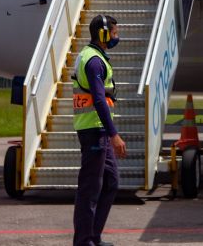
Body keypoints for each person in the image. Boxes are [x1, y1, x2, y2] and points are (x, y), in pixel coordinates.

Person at [72, 14, 127, 246]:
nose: (117, 36)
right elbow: (98, 98)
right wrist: (114, 134)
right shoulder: (94, 60)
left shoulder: (96, 57)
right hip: (94, 130)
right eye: (114, 32)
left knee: (111, 183)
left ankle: (93, 236)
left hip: (99, 131)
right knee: (90, 188)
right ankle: (84, 241)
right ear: (103, 33)